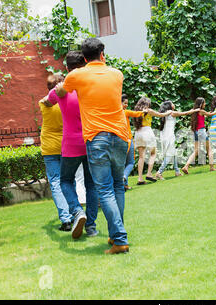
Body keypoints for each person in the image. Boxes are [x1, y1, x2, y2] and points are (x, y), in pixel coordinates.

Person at [56, 37, 131, 254]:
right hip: (121, 136)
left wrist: (61, 87)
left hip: (97, 138)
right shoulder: (117, 74)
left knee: (105, 189)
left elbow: (61, 92)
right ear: (102, 54)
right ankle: (116, 234)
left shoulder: (76, 75)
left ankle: (119, 239)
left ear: (84, 57)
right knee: (118, 186)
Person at [42, 51, 99, 239]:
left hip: (71, 146)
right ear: (84, 64)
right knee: (91, 185)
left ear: (67, 68)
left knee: (65, 181)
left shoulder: (60, 90)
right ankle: (91, 226)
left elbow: (48, 102)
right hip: (90, 141)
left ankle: (76, 211)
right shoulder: (91, 87)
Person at [39, 74, 72, 231]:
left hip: (49, 147)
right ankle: (74, 213)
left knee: (55, 182)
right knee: (67, 181)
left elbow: (47, 100)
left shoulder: (43, 103)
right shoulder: (66, 102)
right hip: (65, 145)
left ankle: (65, 219)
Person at [155, 100, 200, 180]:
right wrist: (195, 110)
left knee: (174, 153)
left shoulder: (166, 114)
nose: (173, 104)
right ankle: (159, 172)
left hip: (165, 137)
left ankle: (177, 171)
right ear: (169, 106)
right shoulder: (171, 112)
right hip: (169, 137)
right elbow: (185, 113)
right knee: (169, 155)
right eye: (172, 103)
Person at [133, 97, 172, 185]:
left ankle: (140, 178)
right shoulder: (148, 110)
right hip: (147, 132)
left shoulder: (137, 111)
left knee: (141, 157)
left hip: (138, 133)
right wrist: (168, 112)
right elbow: (159, 115)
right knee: (153, 153)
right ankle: (149, 173)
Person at [181, 97, 216, 174]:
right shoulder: (201, 111)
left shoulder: (195, 112)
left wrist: (207, 113)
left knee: (196, 151)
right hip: (202, 132)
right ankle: (212, 167)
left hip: (196, 132)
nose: (205, 104)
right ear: (201, 104)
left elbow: (203, 116)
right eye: (204, 103)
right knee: (209, 149)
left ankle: (186, 166)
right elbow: (211, 114)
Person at [121, 94, 146, 191]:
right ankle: (124, 176)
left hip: (119, 140)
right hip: (128, 140)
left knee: (122, 164)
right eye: (124, 103)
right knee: (130, 162)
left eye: (127, 103)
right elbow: (136, 113)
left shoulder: (114, 114)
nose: (126, 105)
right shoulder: (125, 112)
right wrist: (144, 111)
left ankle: (125, 185)